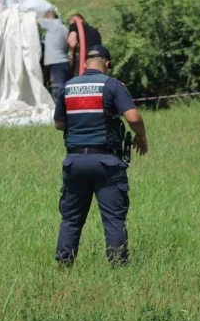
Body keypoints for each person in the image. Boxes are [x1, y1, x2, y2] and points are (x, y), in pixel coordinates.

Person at [53, 45, 148, 265]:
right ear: (107, 64)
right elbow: (133, 118)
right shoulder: (112, 85)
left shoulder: (67, 87)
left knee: (71, 219)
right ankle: (118, 267)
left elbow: (59, 124)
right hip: (106, 162)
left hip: (74, 161)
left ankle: (63, 266)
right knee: (113, 220)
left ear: (85, 63)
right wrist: (141, 136)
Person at [37, 9, 70, 99]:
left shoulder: (51, 24)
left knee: (57, 89)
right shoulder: (64, 28)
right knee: (64, 88)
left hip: (56, 62)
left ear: (48, 18)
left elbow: (35, 20)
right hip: (64, 61)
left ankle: (59, 110)